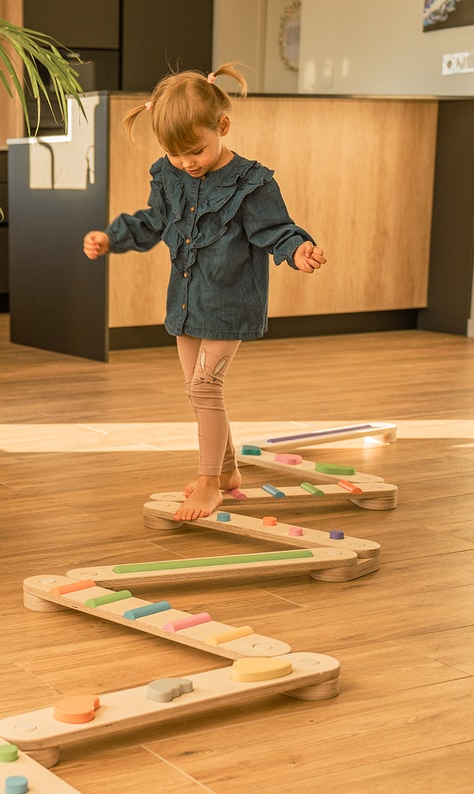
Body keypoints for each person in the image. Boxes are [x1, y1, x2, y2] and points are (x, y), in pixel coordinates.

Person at [83, 64, 326, 520]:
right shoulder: (169, 175)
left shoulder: (252, 182)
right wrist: (112, 238)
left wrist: (297, 251)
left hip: (230, 302)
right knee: (198, 392)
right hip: (186, 300)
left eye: (195, 150)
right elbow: (153, 222)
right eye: (174, 154)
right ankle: (228, 471)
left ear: (223, 126)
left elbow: (276, 230)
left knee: (205, 385)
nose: (186, 162)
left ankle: (209, 483)